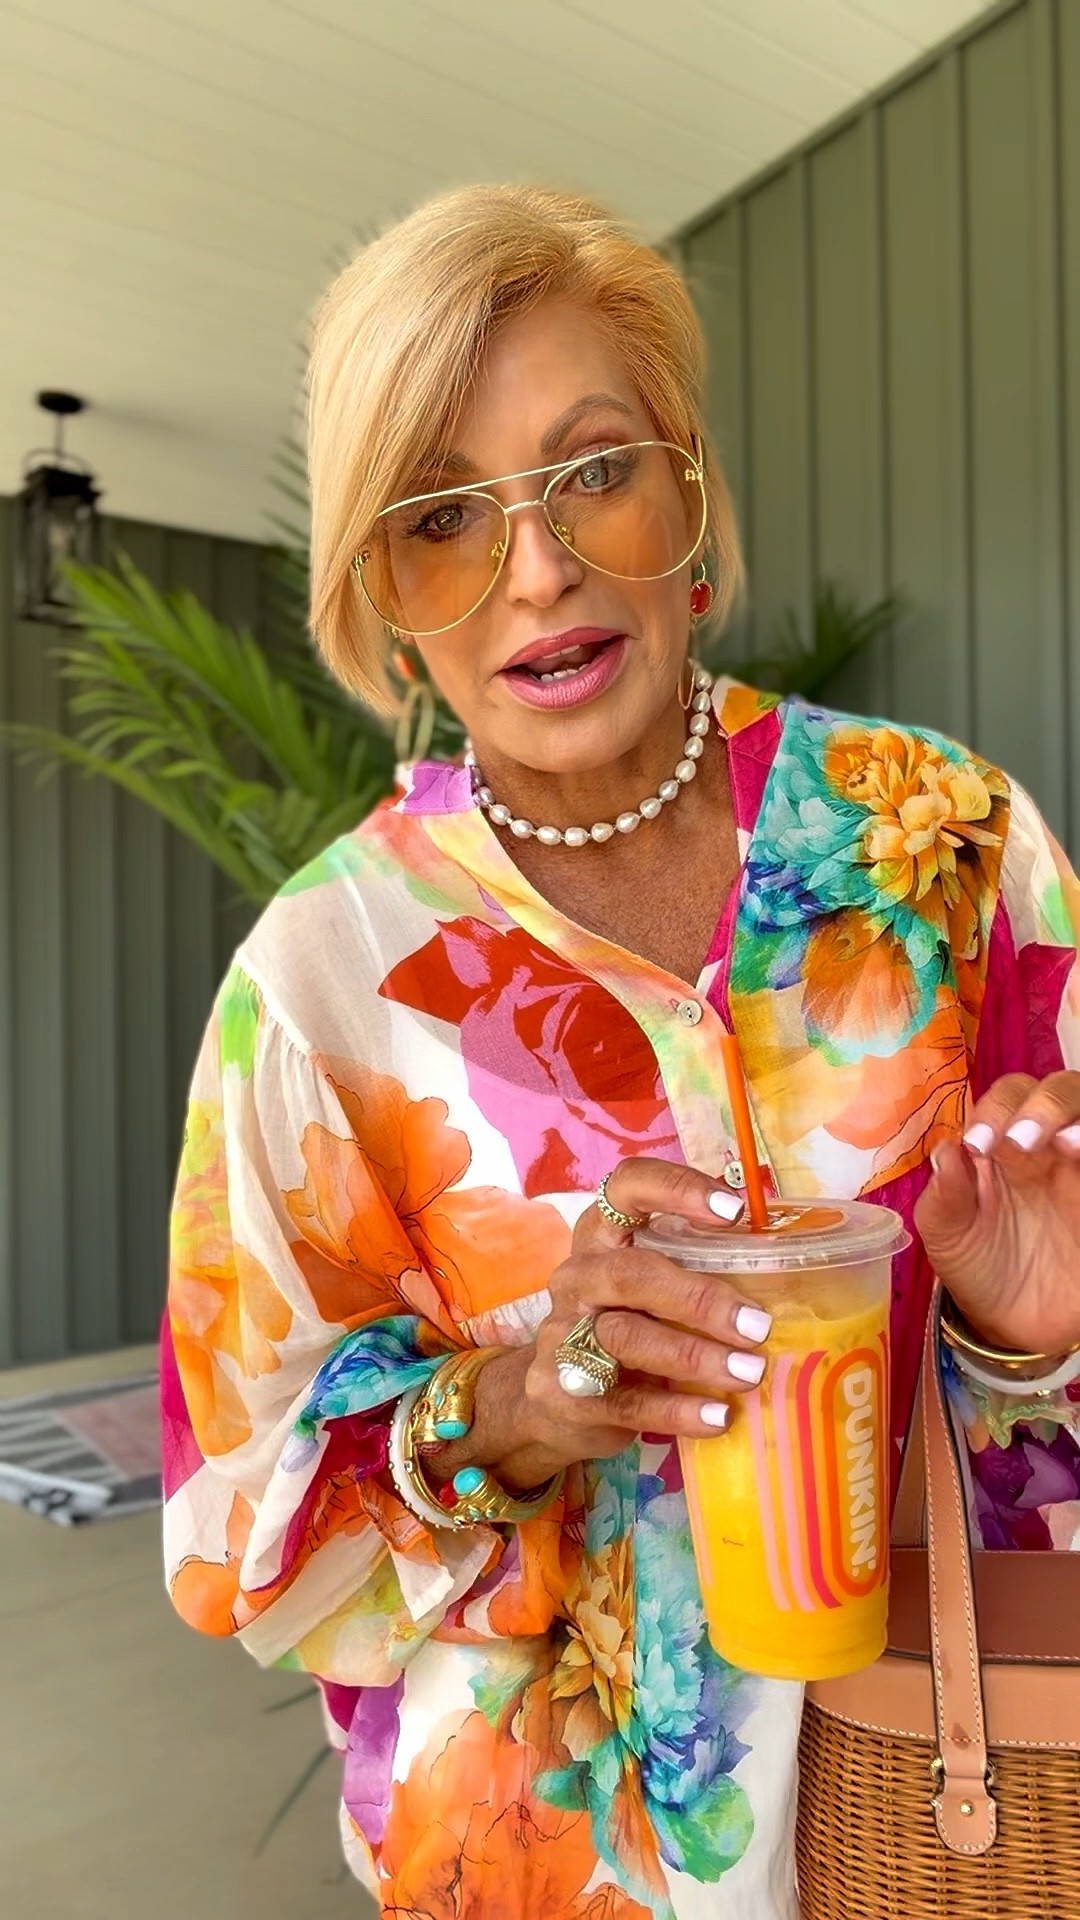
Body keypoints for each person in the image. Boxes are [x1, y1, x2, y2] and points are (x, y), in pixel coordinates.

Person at [161, 185, 1080, 1919]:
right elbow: (234, 1531)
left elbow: (1057, 1363)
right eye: (441, 516)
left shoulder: (944, 843)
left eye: (592, 469)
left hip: (967, 1815)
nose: (538, 569)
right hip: (545, 1863)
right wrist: (515, 1404)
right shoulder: (326, 975)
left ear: (689, 497)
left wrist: (1025, 1340)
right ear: (383, 595)